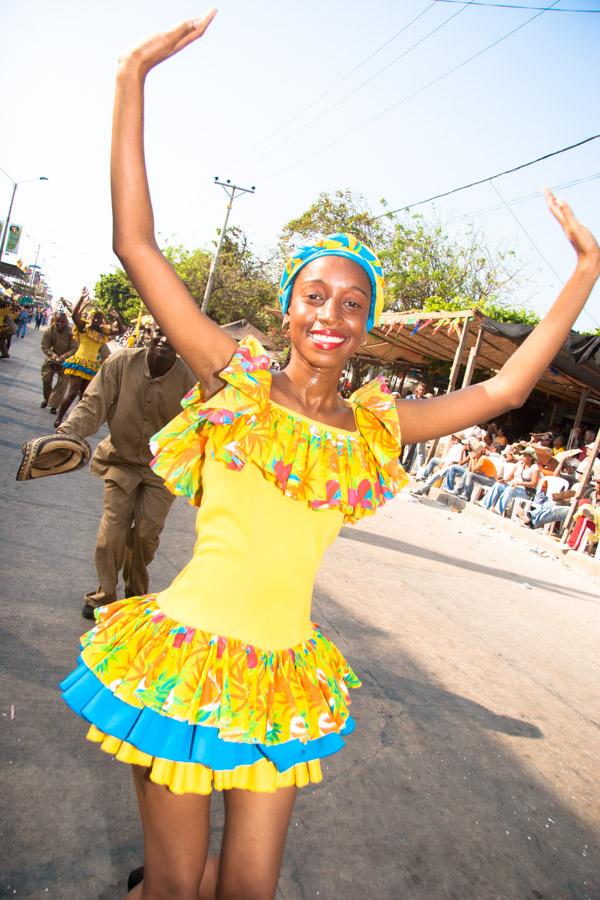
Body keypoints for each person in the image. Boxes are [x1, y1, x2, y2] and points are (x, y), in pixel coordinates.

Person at [56, 15, 600, 900]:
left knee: (251, 893)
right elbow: (137, 247)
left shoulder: (373, 429)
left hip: (281, 677)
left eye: (353, 304)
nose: (332, 315)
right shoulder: (236, 380)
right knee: (175, 890)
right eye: (316, 295)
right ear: (290, 304)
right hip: (184, 662)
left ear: (363, 324)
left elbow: (500, 394)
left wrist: (583, 274)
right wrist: (132, 76)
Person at [56, 326, 194, 619]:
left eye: (172, 333)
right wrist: (66, 434)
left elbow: (202, 428)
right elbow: (92, 406)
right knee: (111, 533)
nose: (163, 338)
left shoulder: (191, 380)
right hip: (121, 460)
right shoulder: (121, 363)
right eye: (158, 331)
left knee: (145, 536)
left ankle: (135, 596)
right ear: (149, 334)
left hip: (163, 469)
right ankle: (104, 595)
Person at [54, 289, 124, 427]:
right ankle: (59, 417)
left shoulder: (102, 333)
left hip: (92, 366)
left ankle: (75, 421)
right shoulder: (83, 328)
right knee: (72, 393)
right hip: (79, 362)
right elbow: (74, 315)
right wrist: (81, 298)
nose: (96, 320)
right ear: (90, 318)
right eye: (94, 317)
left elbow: (121, 331)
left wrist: (117, 317)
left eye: (99, 318)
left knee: (84, 396)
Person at [40, 312, 79, 413]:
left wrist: (63, 357)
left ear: (66, 322)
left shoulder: (71, 332)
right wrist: (53, 356)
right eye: (58, 321)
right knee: (46, 379)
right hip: (52, 359)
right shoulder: (49, 330)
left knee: (63, 383)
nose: (60, 323)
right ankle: (47, 399)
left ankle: (54, 405)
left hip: (66, 360)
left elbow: (74, 348)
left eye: (62, 321)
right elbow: (45, 346)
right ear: (54, 320)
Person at [483, 448, 540, 515]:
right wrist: (505, 480)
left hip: (526, 491)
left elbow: (534, 483)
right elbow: (511, 475)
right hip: (515, 486)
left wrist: (519, 483)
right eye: (523, 455)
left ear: (531, 457)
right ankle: (486, 504)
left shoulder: (535, 467)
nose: (523, 457)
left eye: (525, 455)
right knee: (498, 485)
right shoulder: (519, 464)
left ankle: (499, 509)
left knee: (510, 489)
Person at [411, 432, 467, 496]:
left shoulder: (460, 447)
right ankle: (424, 477)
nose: (451, 438)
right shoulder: (454, 446)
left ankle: (420, 490)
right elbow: (448, 458)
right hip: (446, 463)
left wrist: (444, 466)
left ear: (457, 439)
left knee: (435, 475)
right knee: (434, 460)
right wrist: (443, 463)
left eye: (453, 437)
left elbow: (455, 462)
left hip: (449, 466)